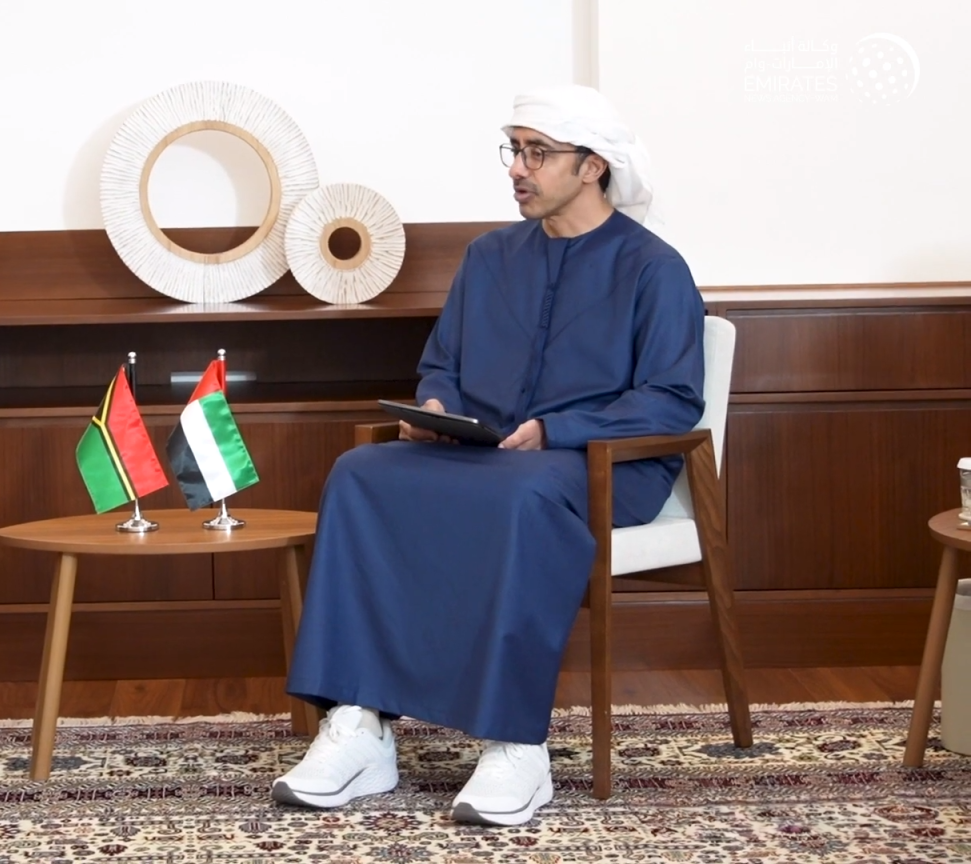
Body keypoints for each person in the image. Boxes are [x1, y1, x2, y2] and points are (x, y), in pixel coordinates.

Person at [272, 85, 706, 826]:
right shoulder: (487, 257)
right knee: (360, 474)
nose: (517, 168)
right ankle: (360, 723)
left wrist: (556, 429)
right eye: (515, 150)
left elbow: (671, 399)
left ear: (593, 166)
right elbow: (443, 365)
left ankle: (517, 746)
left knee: (521, 494)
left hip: (602, 467)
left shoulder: (653, 268)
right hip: (486, 456)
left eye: (538, 153)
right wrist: (437, 409)